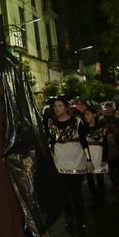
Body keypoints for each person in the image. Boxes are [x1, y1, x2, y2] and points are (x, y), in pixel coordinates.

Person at [47, 98, 89, 229]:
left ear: (66, 108)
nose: (56, 108)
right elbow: (51, 143)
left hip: (76, 162)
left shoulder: (77, 122)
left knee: (76, 193)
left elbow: (84, 141)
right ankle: (69, 218)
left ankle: (80, 219)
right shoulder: (51, 124)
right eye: (55, 106)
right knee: (64, 194)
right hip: (60, 163)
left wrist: (89, 160)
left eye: (60, 105)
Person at [78, 107, 108, 206]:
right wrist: (88, 159)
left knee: (100, 178)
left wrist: (104, 158)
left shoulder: (102, 129)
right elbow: (84, 145)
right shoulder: (83, 130)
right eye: (85, 115)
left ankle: (102, 199)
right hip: (88, 157)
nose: (86, 117)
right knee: (90, 180)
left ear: (94, 115)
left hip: (99, 155)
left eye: (88, 114)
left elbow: (106, 145)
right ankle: (95, 198)